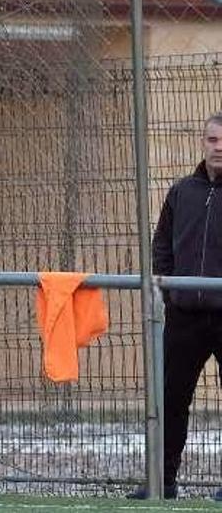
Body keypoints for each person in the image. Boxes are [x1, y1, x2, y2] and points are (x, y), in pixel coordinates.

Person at [130, 112, 222, 501]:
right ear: (203, 142)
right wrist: (171, 293)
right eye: (213, 140)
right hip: (183, 316)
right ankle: (162, 480)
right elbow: (162, 247)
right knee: (169, 397)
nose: (219, 147)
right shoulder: (181, 192)